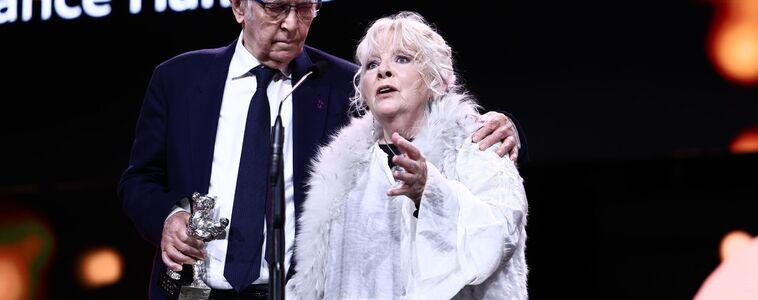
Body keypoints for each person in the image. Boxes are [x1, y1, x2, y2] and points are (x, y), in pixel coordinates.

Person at [118, 0, 524, 298]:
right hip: (194, 289)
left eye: (305, 9)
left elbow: (425, 112)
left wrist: (500, 125)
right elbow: (139, 180)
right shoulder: (179, 79)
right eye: (277, 8)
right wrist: (168, 217)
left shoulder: (343, 83)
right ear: (240, 7)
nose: (292, 25)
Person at [287, 11, 528, 300]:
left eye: (401, 59)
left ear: (437, 78)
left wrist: (432, 193)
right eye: (372, 64)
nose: (383, 71)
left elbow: (499, 234)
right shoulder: (341, 172)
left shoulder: (479, 143)